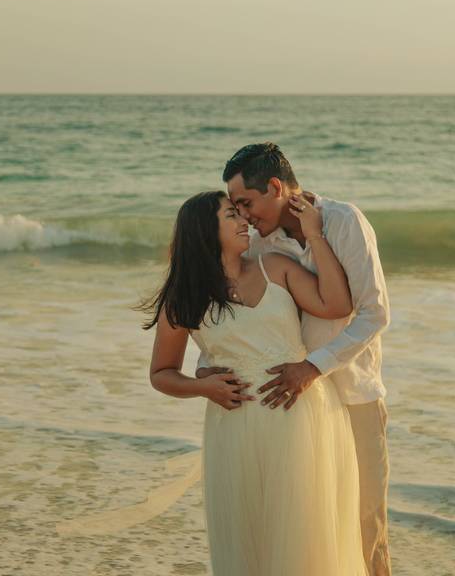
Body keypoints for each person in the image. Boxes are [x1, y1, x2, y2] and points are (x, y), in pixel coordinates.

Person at [142, 190, 367, 576]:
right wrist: (204, 387)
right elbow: (161, 373)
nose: (243, 220)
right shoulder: (184, 299)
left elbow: (337, 305)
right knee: (250, 536)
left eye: (240, 212)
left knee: (305, 532)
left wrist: (315, 235)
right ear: (205, 232)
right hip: (235, 428)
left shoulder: (274, 266)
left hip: (301, 418)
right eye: (231, 215)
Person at [197, 142, 392, 575]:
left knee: (365, 525)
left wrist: (312, 367)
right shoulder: (257, 244)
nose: (243, 215)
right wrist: (207, 368)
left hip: (352, 394)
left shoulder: (344, 222)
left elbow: (375, 313)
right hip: (295, 412)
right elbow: (239, 314)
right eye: (236, 208)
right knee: (301, 535)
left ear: (274, 187)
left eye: (246, 202)